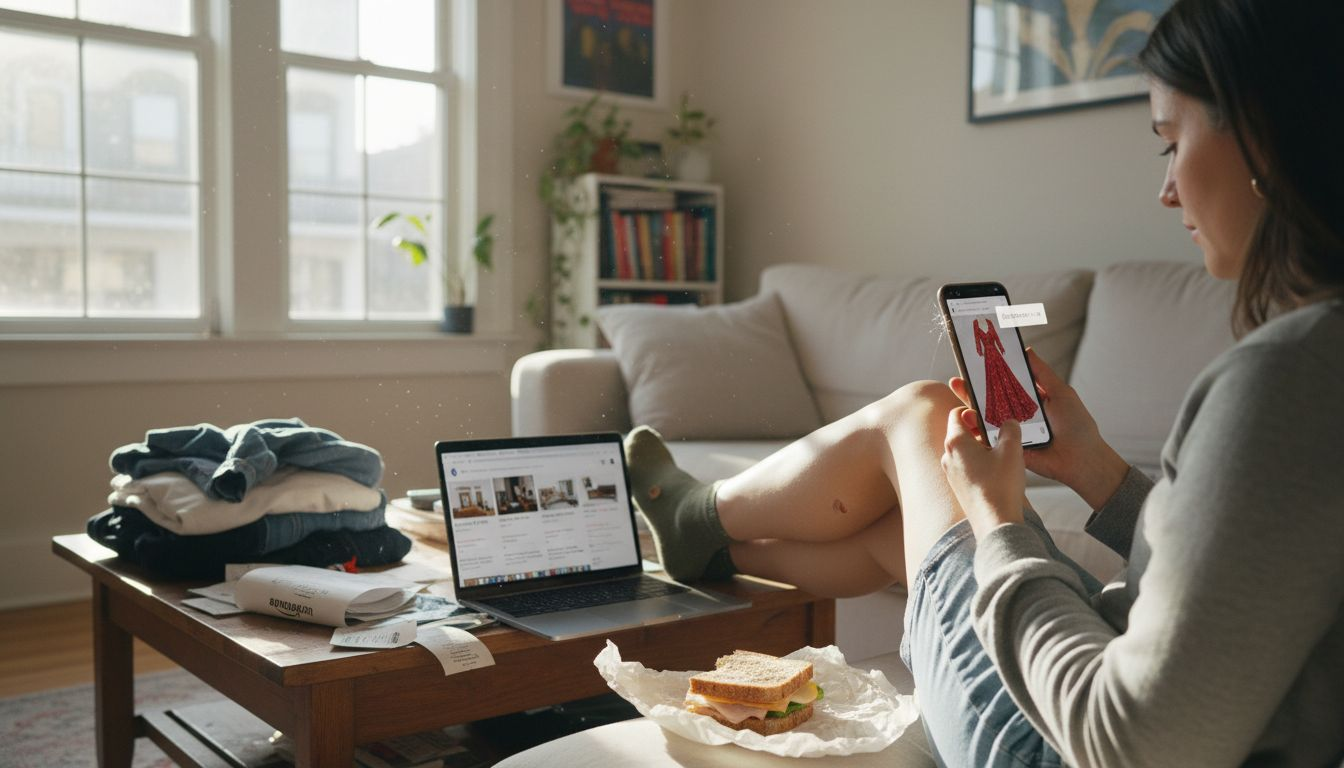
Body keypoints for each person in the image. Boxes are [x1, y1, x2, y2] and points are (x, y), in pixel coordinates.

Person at [622, 0, 1344, 764]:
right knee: (900, 529)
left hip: (1052, 742)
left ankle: (696, 512)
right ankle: (702, 547)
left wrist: (999, 520)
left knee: (924, 416)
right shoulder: (1315, 365)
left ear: (1259, 132)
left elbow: (1136, 742)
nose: (1166, 190)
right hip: (1150, 696)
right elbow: (1242, 586)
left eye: (1171, 142)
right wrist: (1094, 469)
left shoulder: (1287, 379)